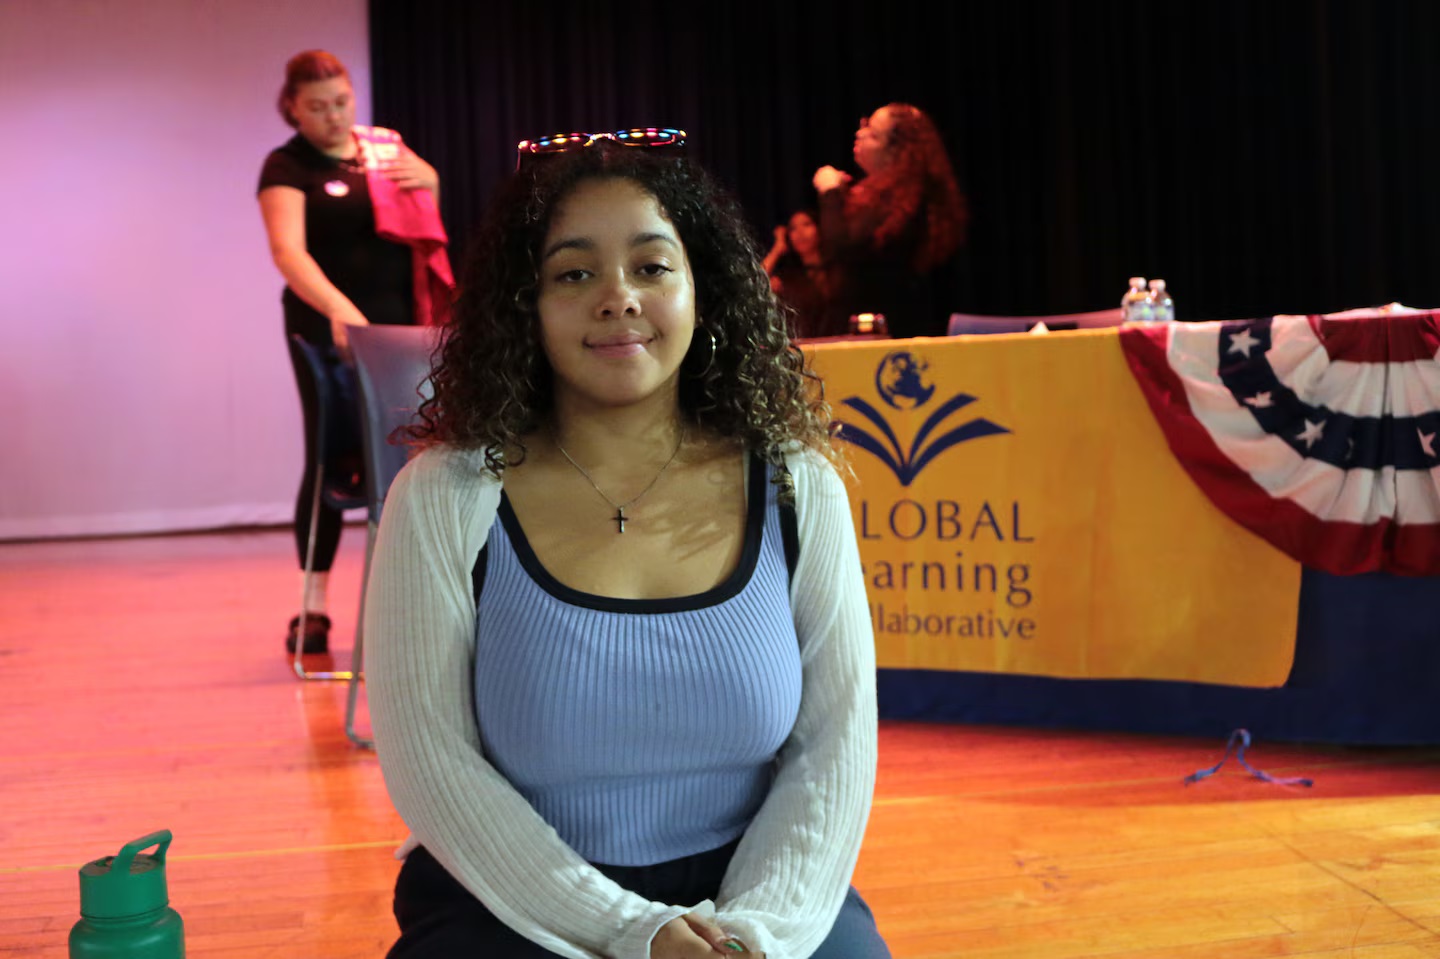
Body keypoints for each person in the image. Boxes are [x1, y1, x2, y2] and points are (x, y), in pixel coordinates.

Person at [363, 134, 887, 959]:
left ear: (703, 291)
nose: (618, 297)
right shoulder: (445, 495)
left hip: (751, 891)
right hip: (516, 892)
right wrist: (631, 930)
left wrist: (758, 931)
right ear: (523, 304)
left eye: (651, 266)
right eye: (575, 273)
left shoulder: (796, 481)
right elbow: (432, 763)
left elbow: (836, 743)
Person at [257, 49, 453, 654]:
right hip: (329, 335)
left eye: (341, 102)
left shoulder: (383, 154)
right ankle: (312, 609)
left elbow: (424, 234)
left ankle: (412, 602)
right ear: (292, 108)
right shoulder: (286, 166)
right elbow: (289, 254)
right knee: (331, 455)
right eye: (317, 107)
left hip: (402, 335)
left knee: (417, 460)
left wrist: (434, 183)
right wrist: (341, 313)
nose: (334, 115)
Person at [812, 103, 967, 339]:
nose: (860, 133)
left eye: (873, 134)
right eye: (865, 125)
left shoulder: (906, 202)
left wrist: (829, 192)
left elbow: (843, 246)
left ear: (895, 152)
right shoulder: (878, 195)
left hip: (887, 335)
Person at [762, 210, 845, 340]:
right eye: (793, 229)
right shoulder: (787, 277)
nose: (800, 233)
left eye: (806, 224)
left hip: (843, 344)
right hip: (807, 348)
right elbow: (755, 280)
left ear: (819, 229)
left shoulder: (837, 266)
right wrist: (778, 248)